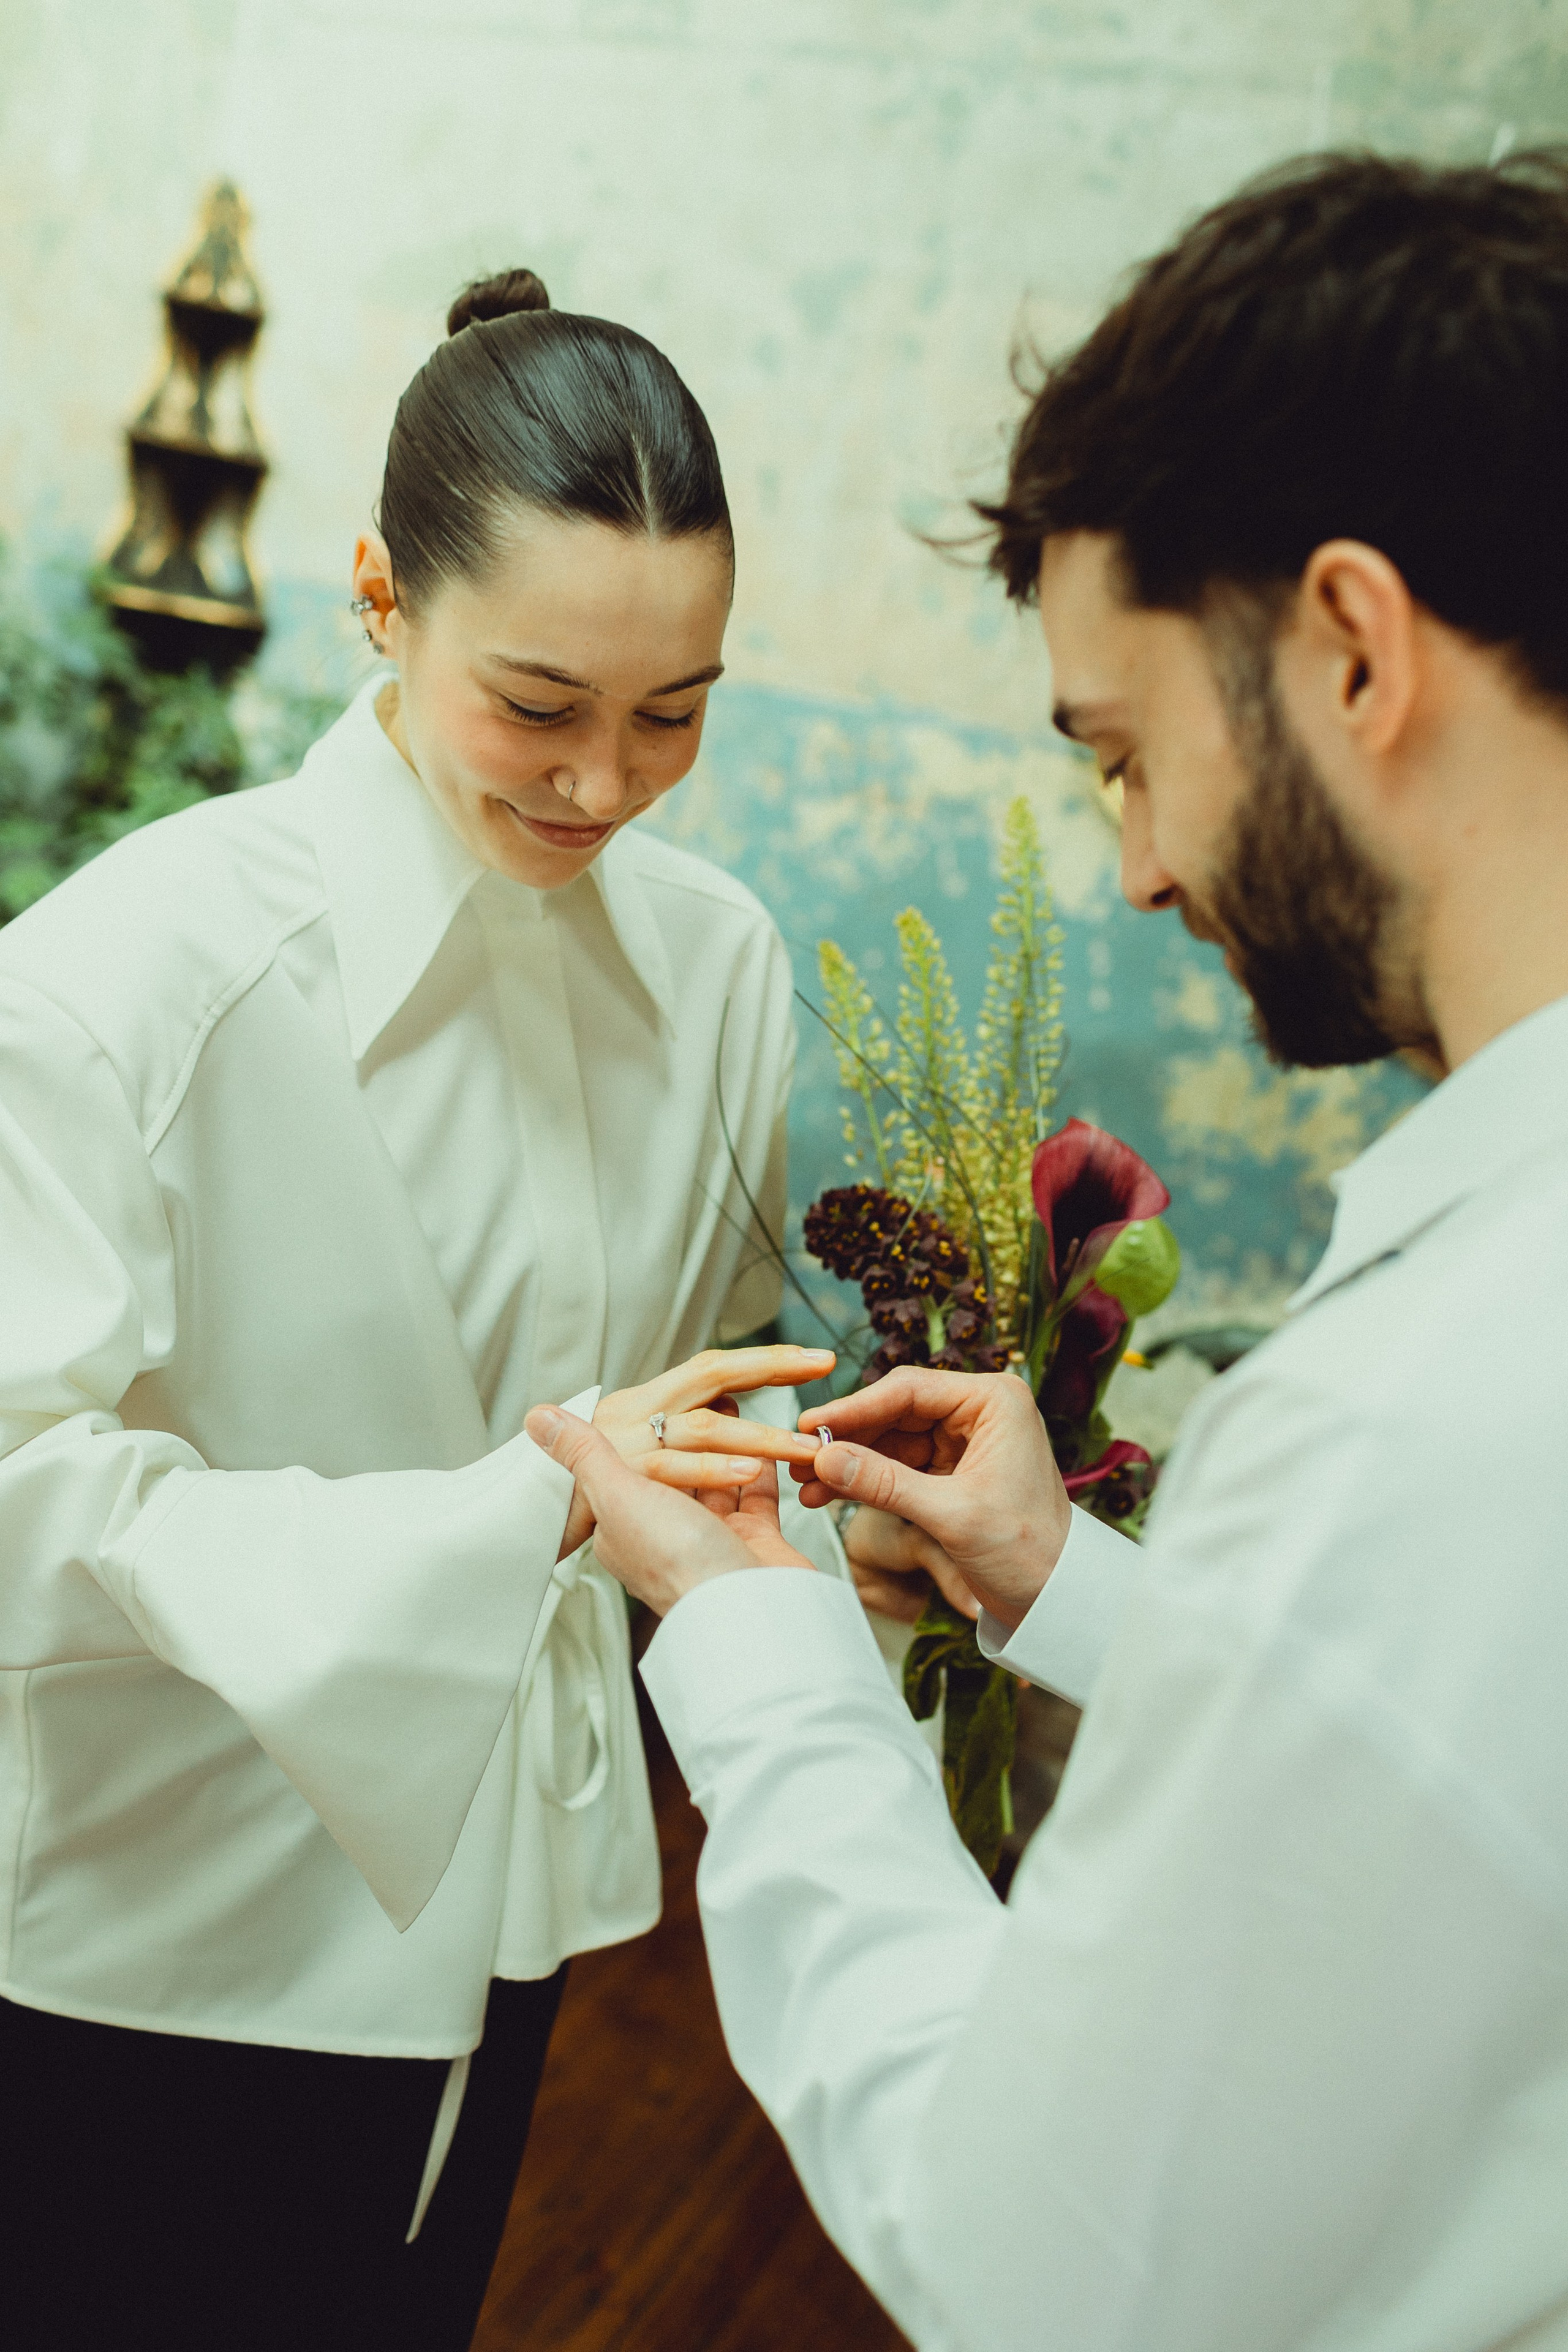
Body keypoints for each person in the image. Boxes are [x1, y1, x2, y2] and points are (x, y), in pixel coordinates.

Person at [524, 154, 1568, 2350]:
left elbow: (1036, 2267)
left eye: (1126, 753)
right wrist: (1065, 1581)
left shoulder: (1424, 1418)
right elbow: (1468, 1791)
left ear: (1355, 650)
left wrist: (756, 1644)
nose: (1140, 869)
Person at [0, 266, 834, 2351]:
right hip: (157, 1936)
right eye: (538, 706)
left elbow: (704, 1391)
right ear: (379, 595)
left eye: (676, 710)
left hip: (512, 1907)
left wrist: (832, 1526)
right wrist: (517, 1514)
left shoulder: (724, 969)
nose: (606, 784)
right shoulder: (123, 986)